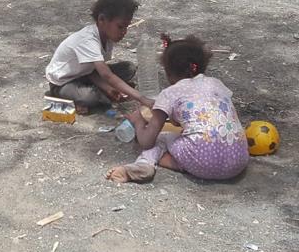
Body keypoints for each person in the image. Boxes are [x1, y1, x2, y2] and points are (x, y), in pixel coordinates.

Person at [106, 34, 249, 184]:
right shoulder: (216, 84)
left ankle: (144, 164)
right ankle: (181, 163)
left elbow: (146, 141)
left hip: (201, 160)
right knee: (190, 138)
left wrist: (138, 122)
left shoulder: (170, 93)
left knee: (161, 138)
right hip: (238, 161)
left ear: (168, 72)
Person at [46, 0, 151, 111]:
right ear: (101, 20)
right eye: (120, 27)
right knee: (90, 97)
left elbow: (91, 71)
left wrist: (107, 88)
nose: (124, 32)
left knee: (128, 68)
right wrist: (141, 98)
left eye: (126, 27)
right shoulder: (88, 40)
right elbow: (106, 75)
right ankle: (66, 96)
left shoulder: (107, 37)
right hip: (63, 82)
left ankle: (101, 92)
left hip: (84, 75)